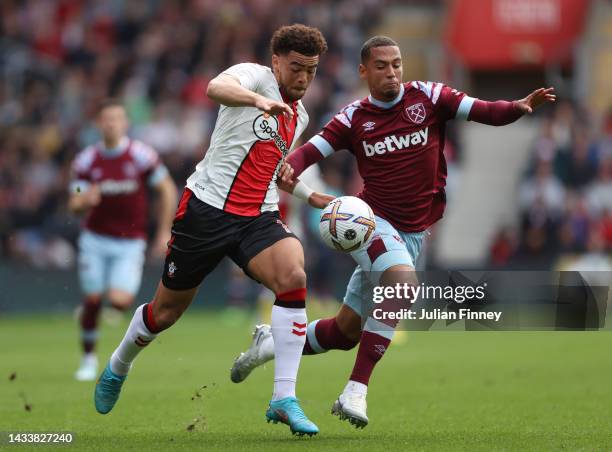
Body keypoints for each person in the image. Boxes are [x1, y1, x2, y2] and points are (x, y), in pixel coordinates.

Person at [230, 35, 556, 428]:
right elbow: (311, 150)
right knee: (403, 283)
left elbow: (484, 110)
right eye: (382, 65)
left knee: (345, 331)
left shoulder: (429, 97)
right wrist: (290, 165)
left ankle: (271, 343)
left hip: (414, 232)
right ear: (364, 71)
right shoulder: (354, 118)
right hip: (371, 223)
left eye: (397, 63)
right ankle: (356, 390)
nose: (392, 72)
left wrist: (518, 107)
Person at [94, 24, 332, 437]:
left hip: (258, 215)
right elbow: (214, 88)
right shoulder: (253, 76)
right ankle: (119, 365)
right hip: (206, 209)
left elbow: (272, 165)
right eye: (296, 68)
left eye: (310, 71)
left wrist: (309, 194)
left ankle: (283, 398)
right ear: (276, 61)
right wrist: (259, 100)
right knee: (165, 313)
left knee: (294, 276)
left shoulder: (302, 115)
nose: (303, 79)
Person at [69, 99, 177, 381]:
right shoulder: (86, 161)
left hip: (130, 241)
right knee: (93, 298)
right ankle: (88, 359)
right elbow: (75, 200)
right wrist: (84, 201)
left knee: (119, 301)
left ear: (125, 123)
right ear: (98, 124)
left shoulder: (140, 156)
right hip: (95, 238)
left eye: (116, 119)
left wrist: (164, 230)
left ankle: (100, 307)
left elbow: (166, 189)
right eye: (106, 119)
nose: (111, 124)